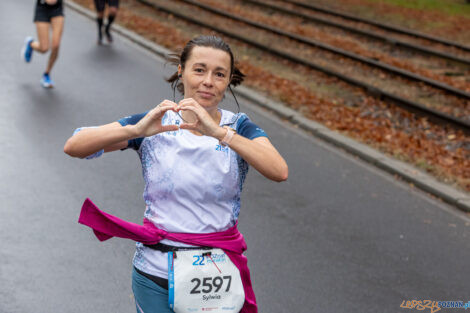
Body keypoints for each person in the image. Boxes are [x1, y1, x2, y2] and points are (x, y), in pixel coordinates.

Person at [64, 35, 288, 313]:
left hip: (215, 276)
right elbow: (74, 145)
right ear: (182, 71)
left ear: (229, 80)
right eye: (199, 69)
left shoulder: (238, 127)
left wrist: (220, 134)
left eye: (219, 74)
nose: (208, 81)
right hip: (155, 272)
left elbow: (279, 170)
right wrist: (134, 131)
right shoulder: (156, 122)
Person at [21, 0, 65, 88]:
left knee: (56, 45)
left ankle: (46, 74)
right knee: (44, 48)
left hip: (57, 9)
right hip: (42, 9)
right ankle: (31, 44)